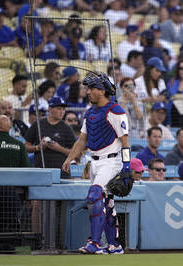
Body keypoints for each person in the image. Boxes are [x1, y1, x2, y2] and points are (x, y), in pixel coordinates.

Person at [61, 72, 129, 254]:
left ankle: (95, 242)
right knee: (106, 203)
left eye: (91, 88)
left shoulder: (115, 110)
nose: (88, 91)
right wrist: (69, 158)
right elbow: (82, 140)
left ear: (102, 91)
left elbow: (125, 141)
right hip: (95, 162)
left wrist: (127, 165)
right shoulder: (89, 112)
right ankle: (114, 245)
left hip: (111, 162)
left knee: (94, 196)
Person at [25, 97, 76, 178]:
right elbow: (26, 146)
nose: (62, 112)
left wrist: (59, 148)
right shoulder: (37, 124)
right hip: (41, 171)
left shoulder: (67, 128)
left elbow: (75, 153)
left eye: (63, 109)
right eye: (59, 109)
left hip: (61, 173)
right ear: (50, 109)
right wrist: (38, 147)